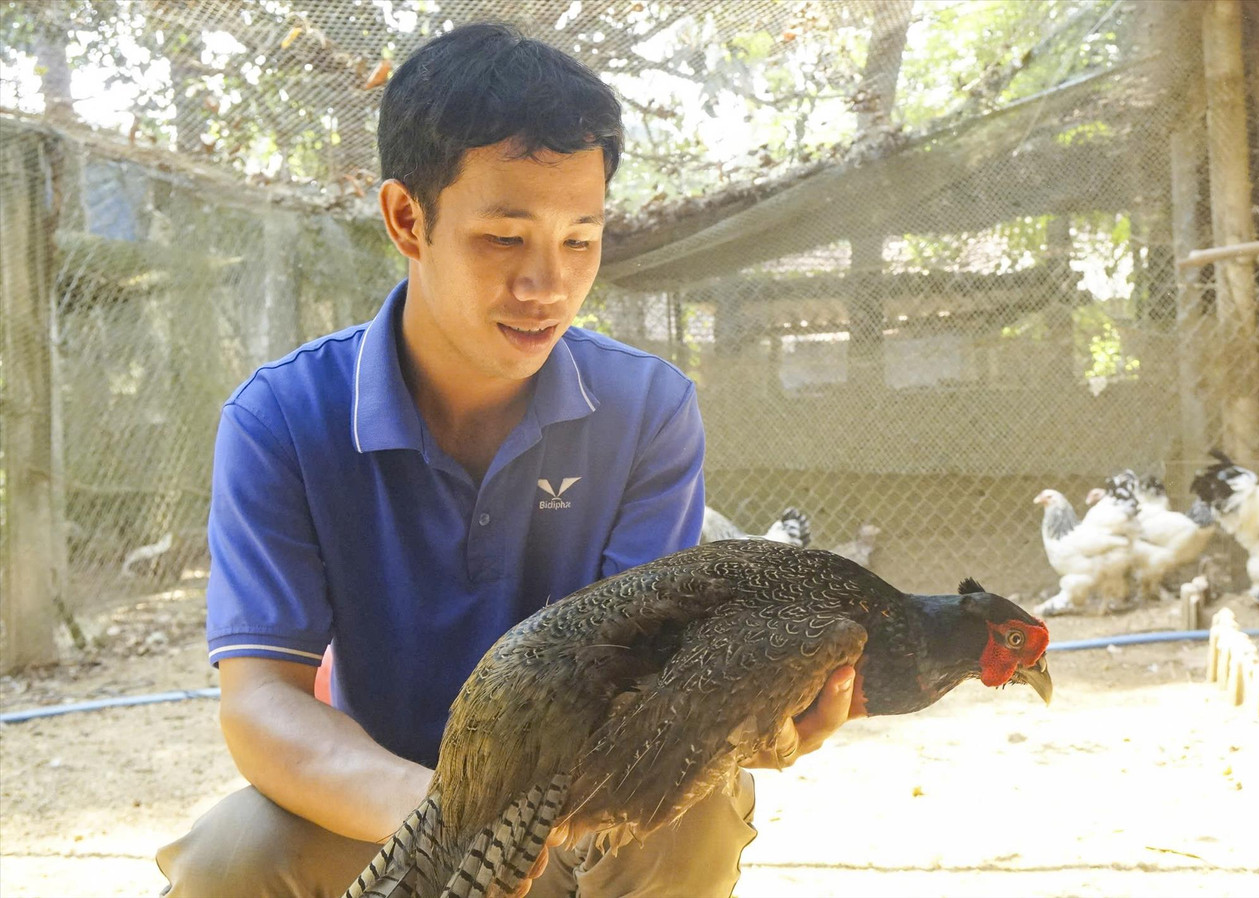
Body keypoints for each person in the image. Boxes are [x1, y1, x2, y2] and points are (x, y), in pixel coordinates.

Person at [155, 22, 858, 898]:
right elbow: (262, 704)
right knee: (234, 856)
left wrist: (756, 718)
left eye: (580, 239)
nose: (547, 284)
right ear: (408, 218)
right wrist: (452, 825)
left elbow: (652, 687)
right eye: (503, 238)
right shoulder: (283, 418)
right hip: (385, 799)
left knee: (703, 806)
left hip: (585, 804)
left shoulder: (648, 410)